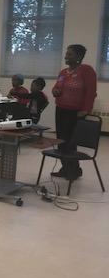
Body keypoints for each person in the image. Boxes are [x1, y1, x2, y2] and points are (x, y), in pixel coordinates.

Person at [51, 44, 97, 180]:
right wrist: (55, 91)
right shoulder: (64, 73)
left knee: (71, 142)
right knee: (61, 141)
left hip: (76, 112)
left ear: (79, 56)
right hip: (61, 110)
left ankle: (73, 170)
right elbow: (56, 87)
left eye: (69, 54)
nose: (66, 56)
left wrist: (85, 110)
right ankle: (66, 168)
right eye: (66, 53)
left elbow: (91, 92)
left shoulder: (87, 71)